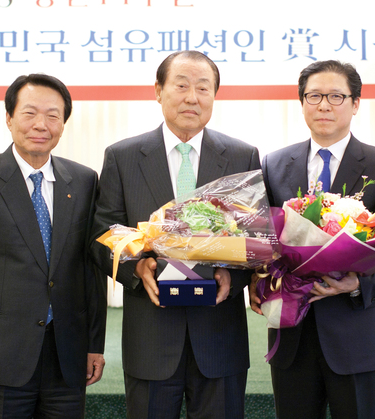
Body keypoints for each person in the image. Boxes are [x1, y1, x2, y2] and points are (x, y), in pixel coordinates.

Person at [90, 50, 260, 419]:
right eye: (181, 86)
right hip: (151, 337)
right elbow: (103, 234)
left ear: (214, 95)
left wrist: (233, 276)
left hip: (220, 336)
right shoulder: (123, 156)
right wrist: (136, 268)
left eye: (203, 88)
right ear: (158, 91)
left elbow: (257, 237)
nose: (192, 98)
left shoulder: (243, 156)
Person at [250, 60, 375, 419]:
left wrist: (357, 284)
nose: (324, 105)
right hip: (292, 337)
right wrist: (258, 279)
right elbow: (264, 239)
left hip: (357, 334)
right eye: (314, 96)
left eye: (336, 96)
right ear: (302, 103)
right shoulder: (274, 164)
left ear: (355, 104)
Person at [0, 74, 106, 418]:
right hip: (0, 357)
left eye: (53, 115)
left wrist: (94, 344)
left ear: (63, 123)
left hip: (67, 356)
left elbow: (91, 272)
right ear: (9, 118)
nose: (41, 125)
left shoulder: (84, 181)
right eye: (29, 113)